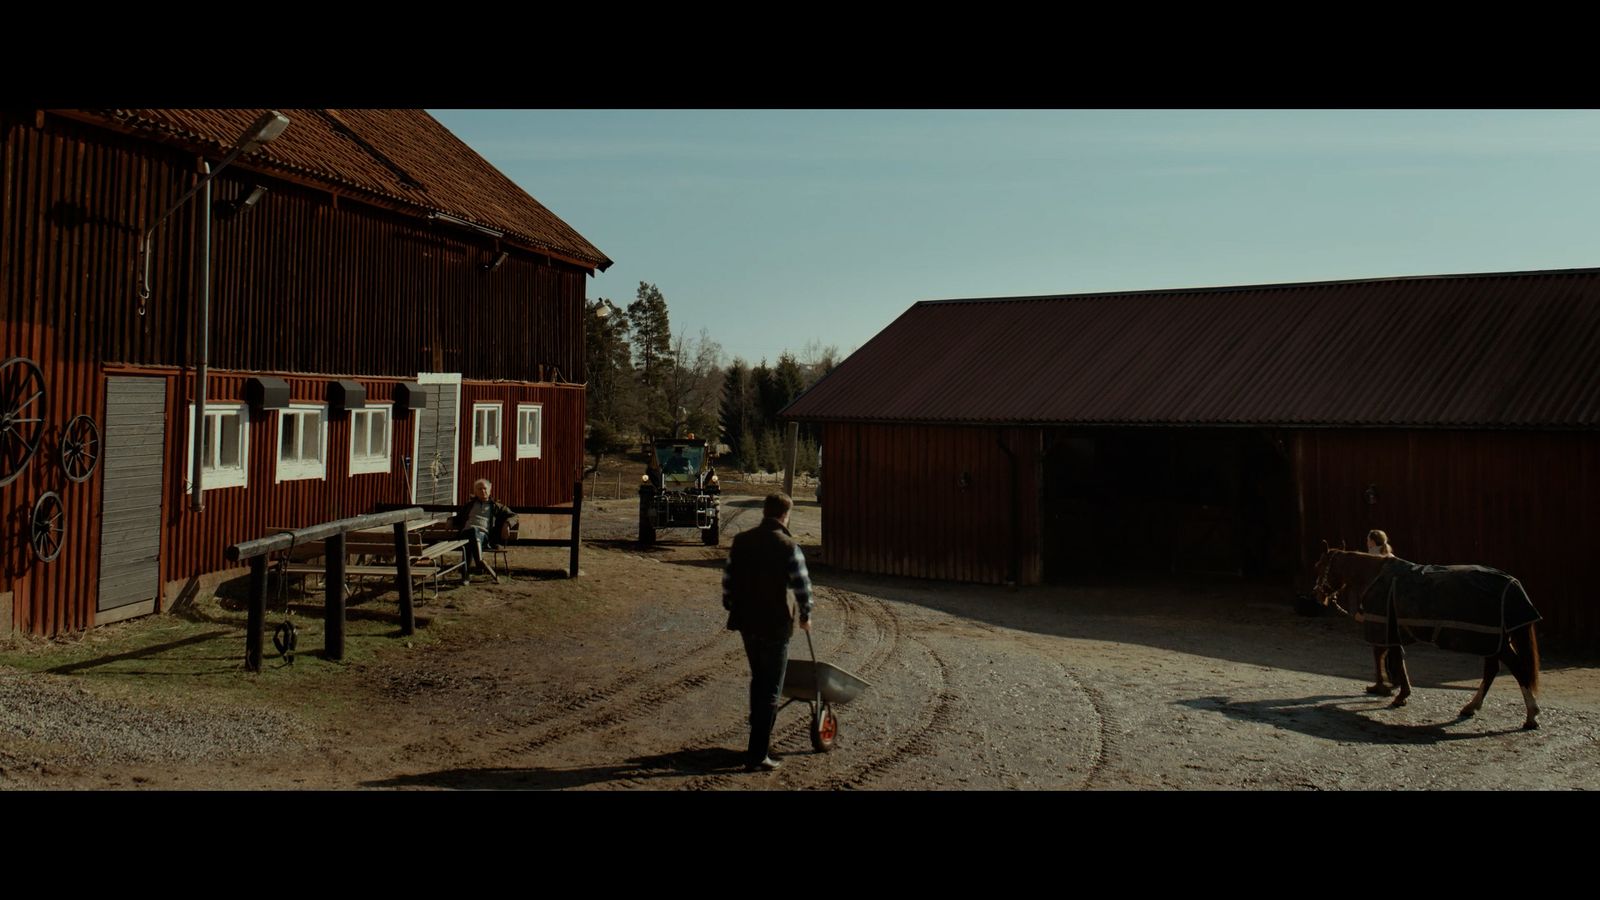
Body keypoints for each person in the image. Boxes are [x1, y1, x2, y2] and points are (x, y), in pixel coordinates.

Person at [721, 492, 813, 772]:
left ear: (765, 512)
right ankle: (758, 753)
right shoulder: (789, 546)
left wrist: (731, 604)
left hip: (746, 622)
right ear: (785, 515)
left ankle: (757, 742)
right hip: (775, 624)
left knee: (758, 679)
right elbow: (802, 585)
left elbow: (728, 580)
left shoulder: (741, 541)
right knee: (771, 688)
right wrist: (805, 615)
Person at [1363, 528, 1408, 696]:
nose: (1367, 542)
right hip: (1391, 605)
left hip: (1382, 607)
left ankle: (1386, 680)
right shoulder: (1390, 556)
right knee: (1390, 645)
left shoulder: (1373, 559)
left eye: (1368, 539)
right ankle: (1389, 679)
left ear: (1372, 541)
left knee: (1384, 644)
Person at [452, 478, 517, 576]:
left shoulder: (496, 506)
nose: (483, 491)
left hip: (485, 537)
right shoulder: (469, 505)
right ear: (475, 492)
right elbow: (458, 517)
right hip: (466, 533)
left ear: (489, 490)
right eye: (479, 489)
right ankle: (480, 562)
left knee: (471, 538)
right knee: (472, 533)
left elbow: (514, 516)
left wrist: (507, 524)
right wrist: (450, 520)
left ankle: (465, 575)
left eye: (484, 488)